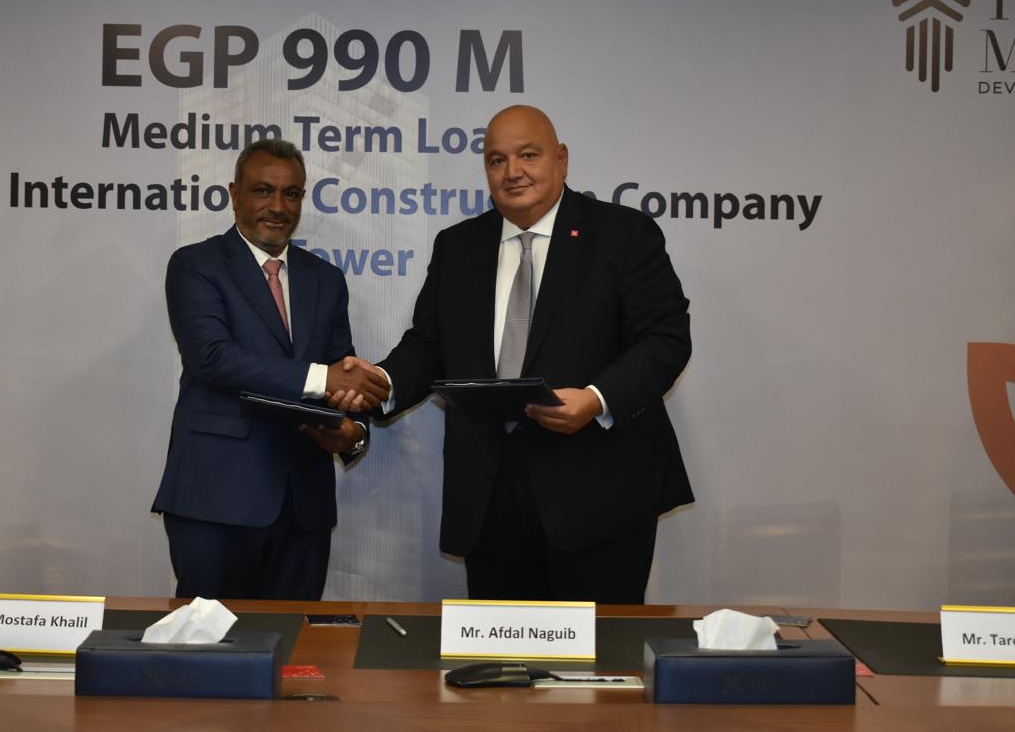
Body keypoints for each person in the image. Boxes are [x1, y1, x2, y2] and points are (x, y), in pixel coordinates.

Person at [334, 105, 692, 603]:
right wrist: (381, 382)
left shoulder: (623, 235)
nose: (512, 172)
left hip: (599, 495)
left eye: (528, 155)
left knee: (597, 650)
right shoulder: (458, 246)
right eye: (497, 160)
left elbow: (665, 339)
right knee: (500, 648)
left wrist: (595, 399)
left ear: (561, 160)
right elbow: (429, 346)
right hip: (490, 499)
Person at [153, 138, 389, 600]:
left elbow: (342, 375)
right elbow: (212, 358)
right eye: (263, 190)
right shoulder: (195, 265)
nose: (278, 207)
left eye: (291, 194)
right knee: (209, 641)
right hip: (215, 502)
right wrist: (323, 378)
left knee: (296, 642)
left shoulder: (325, 279)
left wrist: (353, 434)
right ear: (234, 194)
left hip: (303, 508)